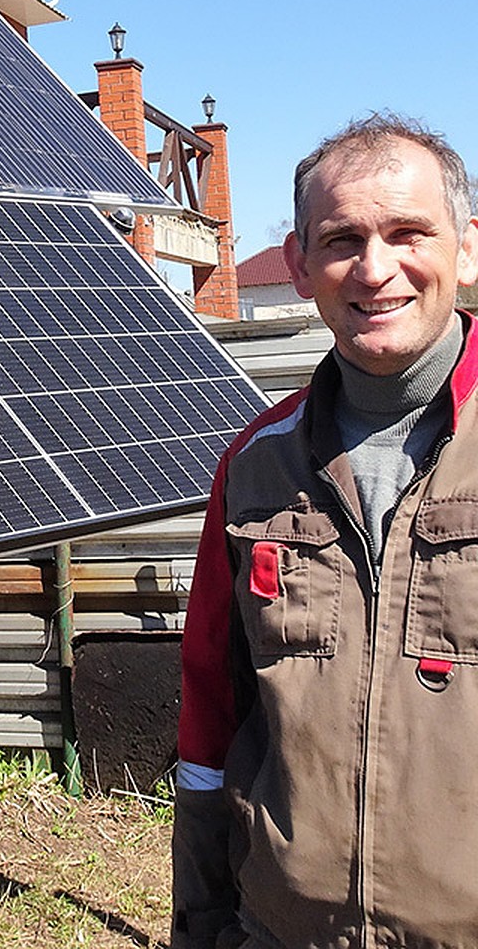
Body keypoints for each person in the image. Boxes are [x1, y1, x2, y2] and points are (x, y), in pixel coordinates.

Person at [171, 113, 478, 949]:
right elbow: (211, 707)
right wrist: (200, 923)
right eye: (342, 239)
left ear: (468, 247)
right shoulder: (253, 467)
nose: (376, 269)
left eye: (409, 231)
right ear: (301, 266)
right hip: (284, 928)